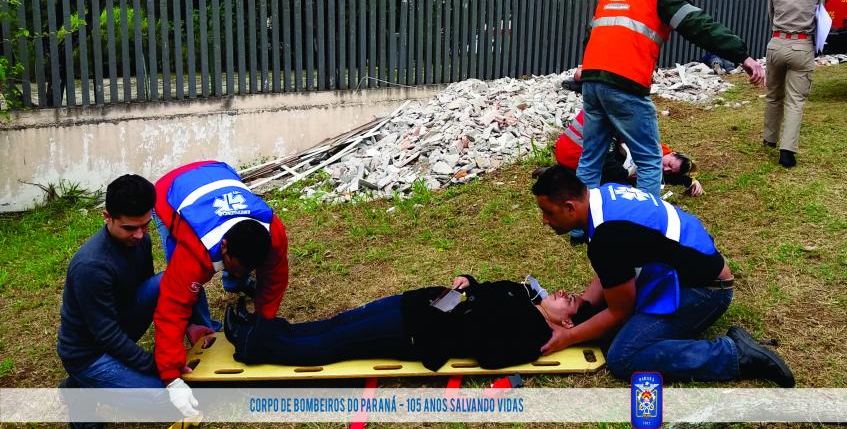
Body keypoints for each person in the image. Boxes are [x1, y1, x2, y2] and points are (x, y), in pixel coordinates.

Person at [530, 165, 795, 387]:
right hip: (698, 271)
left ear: (569, 207)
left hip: (707, 292)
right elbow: (612, 274)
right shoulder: (604, 196)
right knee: (608, 327)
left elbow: (619, 311)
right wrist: (585, 307)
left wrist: (568, 337)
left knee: (623, 356)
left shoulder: (607, 236)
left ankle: (734, 354)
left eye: (548, 212)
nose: (544, 220)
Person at [578, 0, 765, 198]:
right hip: (625, 82)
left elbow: (592, 34)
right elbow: (697, 24)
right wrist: (741, 55)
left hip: (592, 79)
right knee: (649, 159)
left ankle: (581, 219)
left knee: (590, 159)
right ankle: (646, 220)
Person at [223, 275, 599, 371]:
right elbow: (485, 292)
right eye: (568, 292)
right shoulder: (524, 297)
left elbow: (490, 356)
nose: (562, 292)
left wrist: (476, 309)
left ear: (567, 324)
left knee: (335, 343)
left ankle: (253, 344)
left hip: (419, 332)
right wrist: (469, 284)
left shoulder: (533, 336)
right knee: (335, 323)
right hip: (420, 303)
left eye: (570, 300)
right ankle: (262, 329)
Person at [153, 160, 289, 417]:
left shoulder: (275, 234)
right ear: (224, 247)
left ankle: (235, 283)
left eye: (248, 270)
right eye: (234, 267)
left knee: (240, 270)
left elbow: (275, 280)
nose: (240, 270)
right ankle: (199, 324)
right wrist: (171, 378)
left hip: (217, 172)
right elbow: (171, 308)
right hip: (171, 192)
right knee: (183, 286)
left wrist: (263, 321)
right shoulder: (194, 250)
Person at [56, 175, 179, 415]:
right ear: (107, 217)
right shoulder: (91, 266)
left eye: (145, 225)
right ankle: (78, 388)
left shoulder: (140, 240)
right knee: (165, 399)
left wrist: (173, 343)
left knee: (172, 280)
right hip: (89, 354)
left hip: (120, 322)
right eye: (129, 228)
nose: (139, 235)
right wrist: (156, 365)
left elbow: (151, 292)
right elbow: (106, 335)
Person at [764, 0, 825, 168]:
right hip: (801, 45)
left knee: (773, 95)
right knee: (795, 100)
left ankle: (769, 138)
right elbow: (820, 18)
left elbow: (771, 17)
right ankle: (787, 152)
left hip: (776, 44)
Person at [555, 109, 704, 195]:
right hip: (575, 156)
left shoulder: (614, 108)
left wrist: (689, 180)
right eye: (669, 165)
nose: (665, 169)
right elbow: (611, 164)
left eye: (670, 170)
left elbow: (662, 174)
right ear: (672, 154)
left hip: (572, 152)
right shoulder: (645, 142)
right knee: (617, 183)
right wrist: (624, 177)